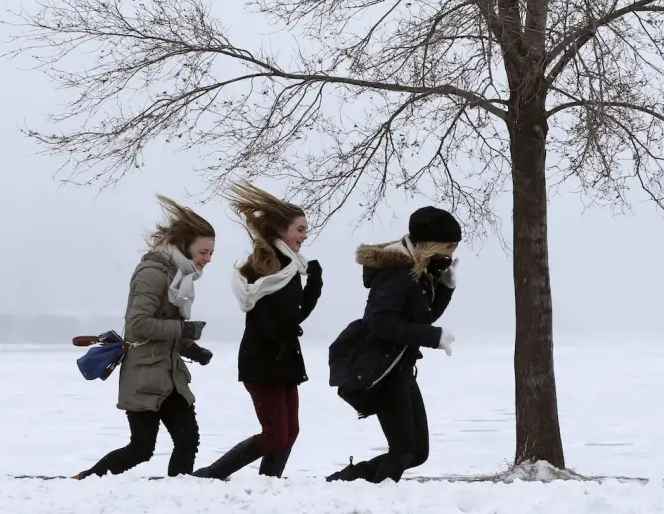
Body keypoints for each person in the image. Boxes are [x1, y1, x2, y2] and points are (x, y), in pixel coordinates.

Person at [72, 195, 216, 480]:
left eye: (211, 253)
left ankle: (178, 495)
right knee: (141, 448)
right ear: (185, 246)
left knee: (188, 442)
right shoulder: (153, 272)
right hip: (145, 376)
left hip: (171, 375)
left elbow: (167, 325)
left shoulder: (179, 277)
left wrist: (193, 349)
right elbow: (139, 324)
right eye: (203, 252)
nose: (207, 259)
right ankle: (86, 480)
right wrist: (184, 331)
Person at [192, 181, 323, 479]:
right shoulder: (260, 268)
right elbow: (264, 317)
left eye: (305, 230)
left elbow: (296, 315)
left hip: (285, 358)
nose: (304, 235)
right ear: (280, 230)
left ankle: (268, 484)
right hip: (262, 359)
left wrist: (314, 284)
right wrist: (276, 342)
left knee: (290, 432)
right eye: (299, 229)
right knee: (275, 434)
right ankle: (211, 475)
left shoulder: (292, 268)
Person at [325, 206, 460, 483]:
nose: (451, 255)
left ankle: (349, 481)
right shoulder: (396, 273)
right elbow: (381, 324)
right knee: (403, 452)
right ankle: (347, 485)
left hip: (400, 367)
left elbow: (423, 317)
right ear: (429, 244)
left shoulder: (417, 272)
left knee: (417, 452)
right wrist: (433, 337)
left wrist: (444, 289)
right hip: (382, 369)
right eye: (448, 247)